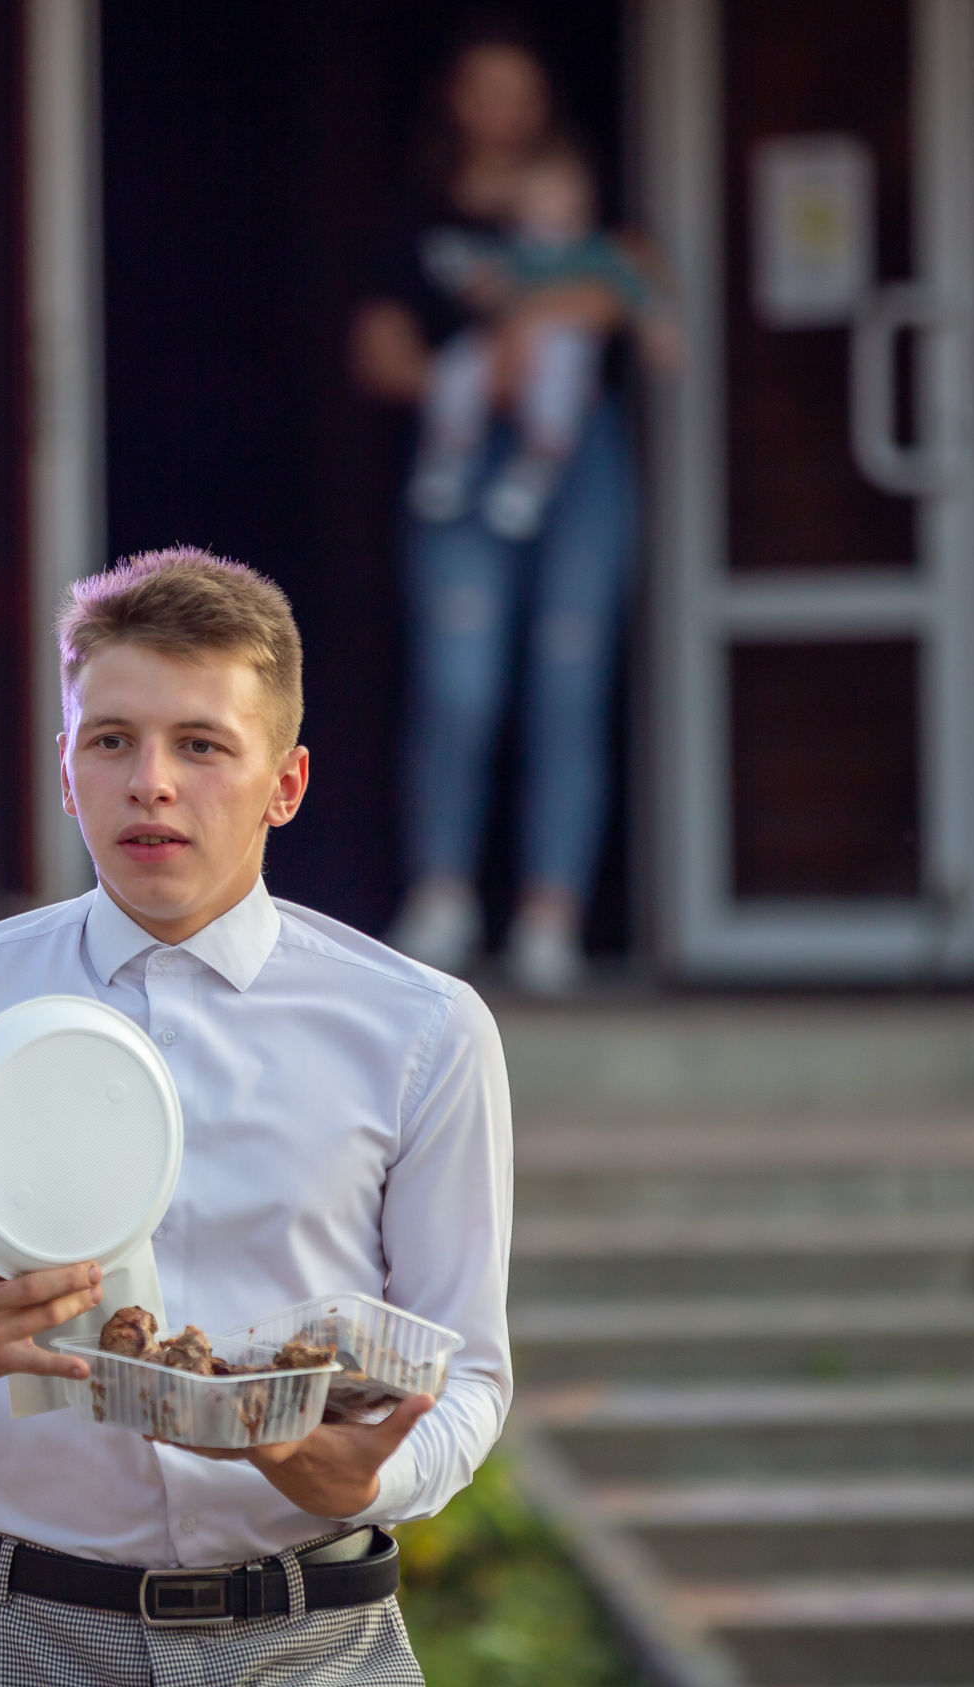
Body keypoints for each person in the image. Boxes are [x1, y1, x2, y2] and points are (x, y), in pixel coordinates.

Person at [0, 548, 513, 1687]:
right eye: (110, 740)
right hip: (14, 1642)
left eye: (201, 745)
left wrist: (361, 1478)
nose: (150, 782)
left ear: (285, 784)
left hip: (317, 1648)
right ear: (65, 770)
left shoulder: (421, 1029)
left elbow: (469, 1377)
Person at [356, 27, 677, 995]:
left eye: (518, 90)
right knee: (459, 684)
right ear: (452, 99)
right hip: (462, 453)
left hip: (579, 464)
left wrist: (531, 317)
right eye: (481, 88)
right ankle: (443, 897)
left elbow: (643, 290)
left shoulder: (592, 196)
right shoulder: (412, 214)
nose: (500, 108)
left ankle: (551, 914)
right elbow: (377, 352)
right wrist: (470, 376)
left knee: (567, 682)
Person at [407, 147, 671, 541]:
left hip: (557, 359)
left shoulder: (595, 250)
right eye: (536, 196)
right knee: (458, 365)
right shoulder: (513, 250)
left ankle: (532, 475)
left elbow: (631, 286)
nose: (546, 207)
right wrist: (464, 272)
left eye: (557, 195)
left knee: (560, 374)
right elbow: (481, 278)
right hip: (500, 365)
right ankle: (448, 459)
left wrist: (657, 327)